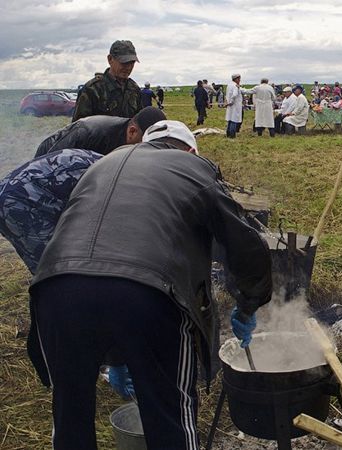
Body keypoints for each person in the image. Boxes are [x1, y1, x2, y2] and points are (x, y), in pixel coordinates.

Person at [27, 119, 270, 449]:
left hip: (55, 288)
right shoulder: (195, 168)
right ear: (189, 150)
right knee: (170, 414)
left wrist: (114, 353)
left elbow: (92, 251)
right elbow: (246, 244)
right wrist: (248, 304)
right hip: (150, 293)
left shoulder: (103, 163)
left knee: (70, 415)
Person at [35, 106, 166, 157]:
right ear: (132, 132)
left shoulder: (132, 136)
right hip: (51, 153)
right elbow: (50, 162)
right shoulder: (89, 132)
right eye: (145, 143)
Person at [72, 40, 143, 122]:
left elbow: (138, 123)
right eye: (124, 63)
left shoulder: (134, 89)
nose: (128, 67)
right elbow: (78, 128)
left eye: (132, 63)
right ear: (110, 59)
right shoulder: (93, 90)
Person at [224, 74, 247, 138]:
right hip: (235, 105)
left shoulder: (229, 85)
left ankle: (228, 134)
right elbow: (234, 95)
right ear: (236, 79)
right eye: (239, 79)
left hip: (230, 106)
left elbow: (227, 95)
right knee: (234, 120)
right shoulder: (235, 86)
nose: (240, 80)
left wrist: (227, 102)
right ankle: (232, 136)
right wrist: (231, 102)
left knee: (230, 120)